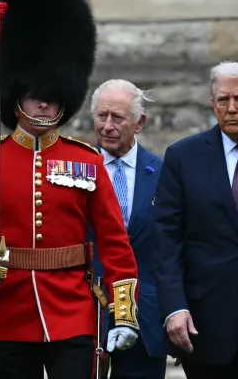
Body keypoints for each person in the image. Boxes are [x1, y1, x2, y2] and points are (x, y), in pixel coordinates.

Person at [0, 0, 140, 379]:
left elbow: (115, 245)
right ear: (16, 96)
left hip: (73, 316)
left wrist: (124, 314)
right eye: (34, 93)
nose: (45, 101)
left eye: (52, 93)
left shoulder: (86, 160)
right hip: (4, 317)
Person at [153, 61, 238, 378]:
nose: (231, 108)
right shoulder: (184, 157)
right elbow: (167, 240)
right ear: (212, 103)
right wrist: (174, 308)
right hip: (207, 322)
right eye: (223, 100)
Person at [88, 79, 166, 379]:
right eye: (101, 116)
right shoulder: (74, 169)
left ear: (139, 123)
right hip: (88, 314)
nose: (107, 126)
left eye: (117, 118)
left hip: (145, 317)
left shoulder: (164, 173)